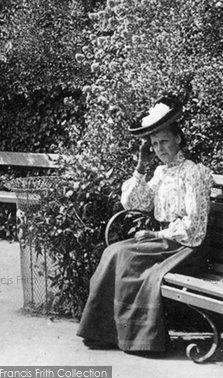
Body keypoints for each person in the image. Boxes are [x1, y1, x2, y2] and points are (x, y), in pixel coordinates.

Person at [76, 96, 212, 354]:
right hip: (164, 240)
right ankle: (106, 331)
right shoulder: (161, 173)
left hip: (186, 247)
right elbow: (133, 202)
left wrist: (157, 233)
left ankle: (139, 337)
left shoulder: (192, 172)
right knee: (113, 251)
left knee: (125, 256)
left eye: (164, 142)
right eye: (154, 144)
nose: (159, 149)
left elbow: (195, 226)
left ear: (178, 139)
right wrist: (141, 166)